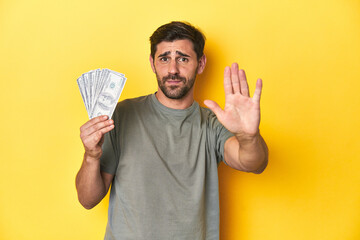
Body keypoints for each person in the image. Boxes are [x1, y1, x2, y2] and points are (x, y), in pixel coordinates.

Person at [76, 21, 268, 240]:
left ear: (201, 63)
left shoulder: (213, 124)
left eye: (183, 59)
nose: (172, 69)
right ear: (152, 63)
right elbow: (87, 199)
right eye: (164, 58)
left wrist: (248, 136)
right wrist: (91, 156)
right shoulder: (120, 115)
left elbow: (253, 163)